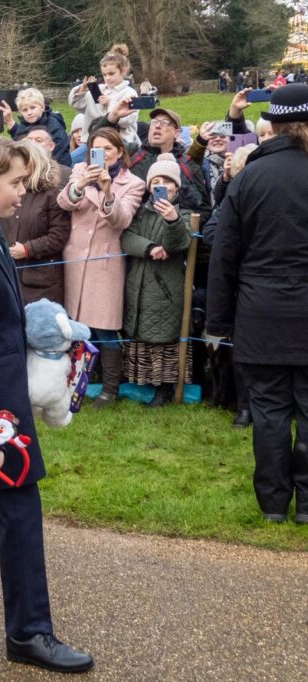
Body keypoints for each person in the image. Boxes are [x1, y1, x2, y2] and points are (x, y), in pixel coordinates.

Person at [0, 135, 93, 674]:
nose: (21, 192)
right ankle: (28, 633)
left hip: (2, 408)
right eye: (14, 183)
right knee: (17, 514)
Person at [207, 83, 308, 525]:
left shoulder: (248, 178)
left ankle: (273, 505)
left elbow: (224, 254)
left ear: (276, 124)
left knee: (268, 410)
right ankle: (304, 503)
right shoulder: (250, 176)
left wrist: (220, 320)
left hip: (260, 310)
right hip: (282, 304)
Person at [57, 127, 145, 407]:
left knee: (105, 329)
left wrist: (107, 191)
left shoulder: (133, 183)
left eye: (108, 149)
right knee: (76, 328)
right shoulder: (79, 170)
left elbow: (122, 220)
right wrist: (80, 185)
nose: (102, 154)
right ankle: (75, 386)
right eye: (97, 148)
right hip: (74, 260)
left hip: (105, 262)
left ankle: (109, 389)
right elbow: (63, 202)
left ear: (120, 152)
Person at [119, 158, 193, 407]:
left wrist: (172, 221)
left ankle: (164, 388)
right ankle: (143, 382)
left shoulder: (182, 214)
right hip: (139, 281)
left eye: (168, 182)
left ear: (177, 187)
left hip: (166, 287)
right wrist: (149, 247)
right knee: (141, 333)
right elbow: (127, 238)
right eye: (157, 182)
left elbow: (179, 244)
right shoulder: (141, 212)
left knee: (164, 336)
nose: (162, 186)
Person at [3, 141, 71, 305]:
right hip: (9, 274)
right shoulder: (5, 192)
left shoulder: (51, 195)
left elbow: (59, 236)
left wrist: (28, 249)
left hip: (41, 281)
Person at [68, 44, 139, 145]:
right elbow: (78, 106)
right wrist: (81, 90)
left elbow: (126, 122)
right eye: (104, 74)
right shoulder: (99, 89)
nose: (107, 78)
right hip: (91, 140)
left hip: (118, 143)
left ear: (123, 71)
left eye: (111, 74)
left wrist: (109, 104)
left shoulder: (130, 93)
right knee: (72, 160)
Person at [2, 88, 71, 166]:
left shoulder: (53, 124)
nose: (29, 113)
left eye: (33, 108)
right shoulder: (24, 124)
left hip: (57, 166)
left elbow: (58, 152)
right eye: (25, 110)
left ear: (42, 107)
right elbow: (18, 141)